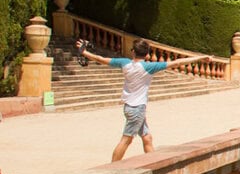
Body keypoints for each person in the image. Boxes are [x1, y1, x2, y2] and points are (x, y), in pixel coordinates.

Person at [78, 38, 211, 162]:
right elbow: (177, 62)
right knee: (126, 140)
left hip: (130, 107)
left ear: (133, 52)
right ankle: (112, 169)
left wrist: (84, 52)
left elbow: (101, 59)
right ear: (147, 54)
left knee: (147, 137)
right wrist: (201, 58)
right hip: (137, 108)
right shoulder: (149, 67)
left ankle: (153, 163)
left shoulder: (125, 63)